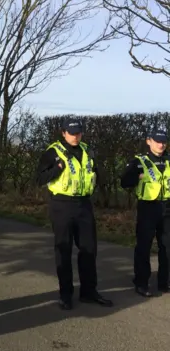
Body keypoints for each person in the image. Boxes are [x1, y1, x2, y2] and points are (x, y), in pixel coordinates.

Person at [35, 118, 113, 310]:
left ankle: (88, 292)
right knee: (64, 250)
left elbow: (95, 172)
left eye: (78, 132)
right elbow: (39, 178)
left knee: (89, 249)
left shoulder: (87, 150)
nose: (76, 136)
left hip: (83, 204)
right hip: (62, 204)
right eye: (72, 133)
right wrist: (57, 168)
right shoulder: (52, 152)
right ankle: (65, 294)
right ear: (63, 133)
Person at [120, 128, 170, 297]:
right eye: (157, 141)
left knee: (167, 247)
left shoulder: (169, 160)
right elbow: (124, 182)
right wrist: (136, 176)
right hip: (148, 208)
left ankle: (165, 282)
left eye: (164, 141)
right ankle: (141, 282)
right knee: (144, 246)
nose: (161, 144)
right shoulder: (139, 161)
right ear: (149, 141)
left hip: (168, 208)